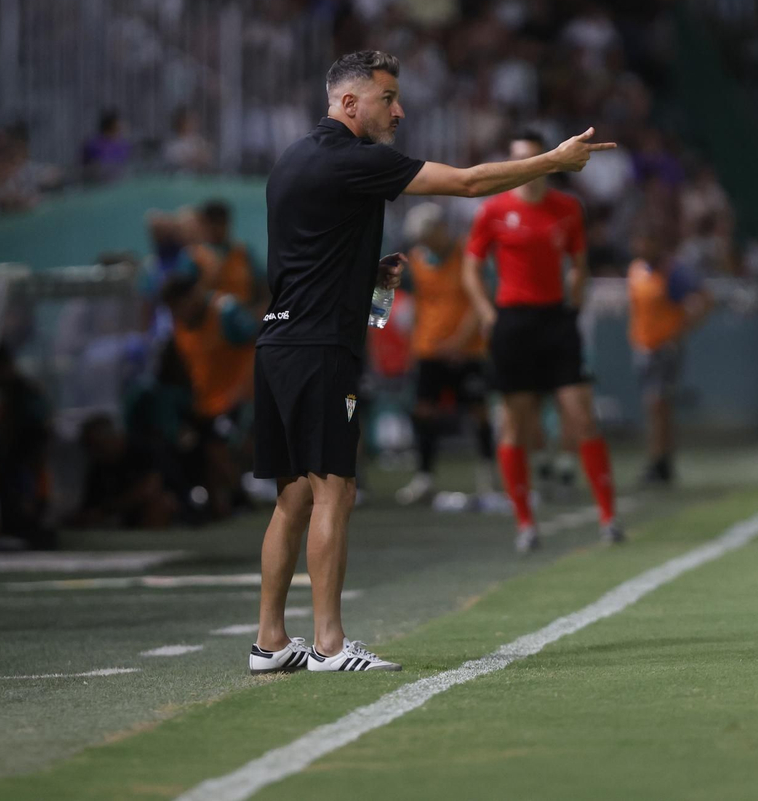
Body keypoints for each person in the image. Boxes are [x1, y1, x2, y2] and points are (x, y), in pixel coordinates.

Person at [249, 50, 614, 675]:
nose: (399, 110)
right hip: (318, 352)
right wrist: (554, 161)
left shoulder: (292, 160)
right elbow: (470, 183)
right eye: (387, 98)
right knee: (335, 491)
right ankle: (331, 645)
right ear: (348, 104)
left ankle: (270, 643)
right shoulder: (354, 159)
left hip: (278, 344)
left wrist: (368, 273)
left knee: (292, 499)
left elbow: (304, 256)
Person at [462, 132, 622, 552]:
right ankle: (525, 523)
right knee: (516, 425)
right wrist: (487, 314)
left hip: (556, 319)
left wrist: (574, 298)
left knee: (581, 416)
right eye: (518, 159)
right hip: (512, 323)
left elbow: (579, 262)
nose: (526, 168)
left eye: (533, 158)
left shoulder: (567, 209)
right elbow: (471, 269)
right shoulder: (493, 210)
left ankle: (609, 517)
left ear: (548, 162)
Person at [394, 202, 495, 509]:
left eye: (427, 234)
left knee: (477, 410)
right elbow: (403, 297)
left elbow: (481, 301)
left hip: (468, 350)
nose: (423, 241)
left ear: (441, 228)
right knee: (424, 410)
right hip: (429, 349)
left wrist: (458, 342)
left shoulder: (468, 255)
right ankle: (424, 477)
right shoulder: (416, 261)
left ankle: (487, 477)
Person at [162, 268, 258, 518]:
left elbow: (259, 345)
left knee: (218, 445)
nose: (178, 313)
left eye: (179, 305)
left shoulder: (226, 311)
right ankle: (218, 502)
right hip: (205, 403)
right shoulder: (180, 325)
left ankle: (240, 497)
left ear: (192, 296)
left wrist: (246, 391)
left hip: (238, 398)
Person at [628, 228, 710, 486]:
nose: (642, 247)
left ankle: (660, 461)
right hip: (643, 348)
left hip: (665, 349)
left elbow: (703, 298)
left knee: (658, 403)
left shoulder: (672, 271)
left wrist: (680, 330)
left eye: (647, 241)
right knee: (654, 407)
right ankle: (661, 460)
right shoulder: (636, 271)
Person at [191, 199, 266, 309]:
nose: (216, 228)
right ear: (204, 225)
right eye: (212, 223)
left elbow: (263, 284)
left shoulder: (244, 253)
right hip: (209, 318)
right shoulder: (194, 256)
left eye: (220, 223)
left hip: (245, 315)